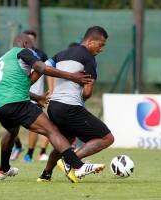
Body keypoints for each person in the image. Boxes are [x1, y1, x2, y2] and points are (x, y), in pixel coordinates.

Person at [0, 33, 105, 181]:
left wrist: (37, 98)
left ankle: (3, 169)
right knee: (52, 130)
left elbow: (12, 86)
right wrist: (72, 76)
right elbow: (41, 68)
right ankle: (78, 165)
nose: (34, 50)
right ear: (24, 43)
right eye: (32, 45)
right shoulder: (23, 52)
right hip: (15, 103)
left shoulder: (3, 59)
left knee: (12, 131)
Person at [37, 26, 114, 183]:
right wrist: (81, 97)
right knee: (107, 138)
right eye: (101, 44)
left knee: (66, 140)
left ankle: (46, 175)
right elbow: (87, 91)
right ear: (91, 41)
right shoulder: (89, 58)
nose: (102, 49)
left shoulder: (61, 54)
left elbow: (44, 67)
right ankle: (70, 161)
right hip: (69, 106)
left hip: (53, 106)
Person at [10, 30, 52, 162]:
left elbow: (48, 71)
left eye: (32, 39)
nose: (29, 41)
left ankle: (30, 153)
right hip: (17, 94)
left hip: (35, 95)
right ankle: (17, 146)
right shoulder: (15, 55)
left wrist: (52, 89)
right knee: (10, 123)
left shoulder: (40, 55)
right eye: (27, 39)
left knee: (35, 126)